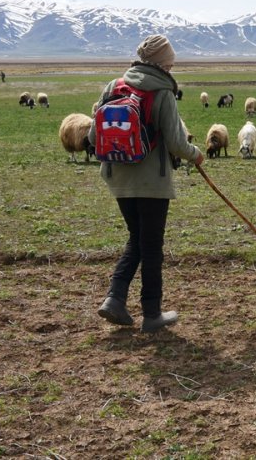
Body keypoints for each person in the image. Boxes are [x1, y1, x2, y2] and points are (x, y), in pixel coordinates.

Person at [91, 34, 204, 333]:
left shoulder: (114, 86)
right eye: (170, 61)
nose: (172, 65)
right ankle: (151, 314)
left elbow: (92, 137)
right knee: (151, 246)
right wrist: (197, 155)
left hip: (117, 178)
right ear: (163, 62)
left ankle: (115, 298)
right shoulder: (162, 92)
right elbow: (178, 143)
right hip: (152, 182)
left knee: (137, 238)